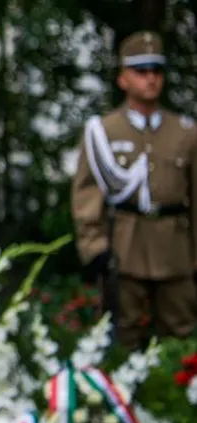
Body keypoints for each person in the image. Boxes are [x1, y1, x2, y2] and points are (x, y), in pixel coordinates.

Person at [71, 30, 197, 350]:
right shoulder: (104, 131)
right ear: (123, 79)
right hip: (124, 247)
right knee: (124, 335)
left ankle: (178, 397)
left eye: (156, 71)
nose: (151, 79)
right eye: (141, 72)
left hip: (175, 248)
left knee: (181, 333)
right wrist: (94, 246)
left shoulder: (185, 132)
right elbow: (87, 193)